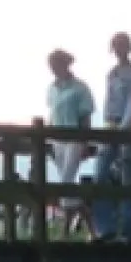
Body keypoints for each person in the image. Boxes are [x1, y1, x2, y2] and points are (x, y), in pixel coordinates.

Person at [91, 32, 131, 242]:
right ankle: (105, 229)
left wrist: (122, 128)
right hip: (110, 124)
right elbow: (108, 101)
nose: (118, 51)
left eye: (122, 46)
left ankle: (129, 232)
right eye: (116, 47)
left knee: (128, 179)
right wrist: (107, 125)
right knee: (100, 176)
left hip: (126, 127)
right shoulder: (111, 73)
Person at [46, 49, 96, 191]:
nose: (53, 68)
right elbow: (52, 112)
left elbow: (85, 116)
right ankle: (79, 210)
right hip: (57, 139)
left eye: (56, 64)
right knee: (65, 178)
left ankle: (70, 212)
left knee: (66, 179)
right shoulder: (51, 89)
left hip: (75, 138)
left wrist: (86, 141)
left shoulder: (80, 88)